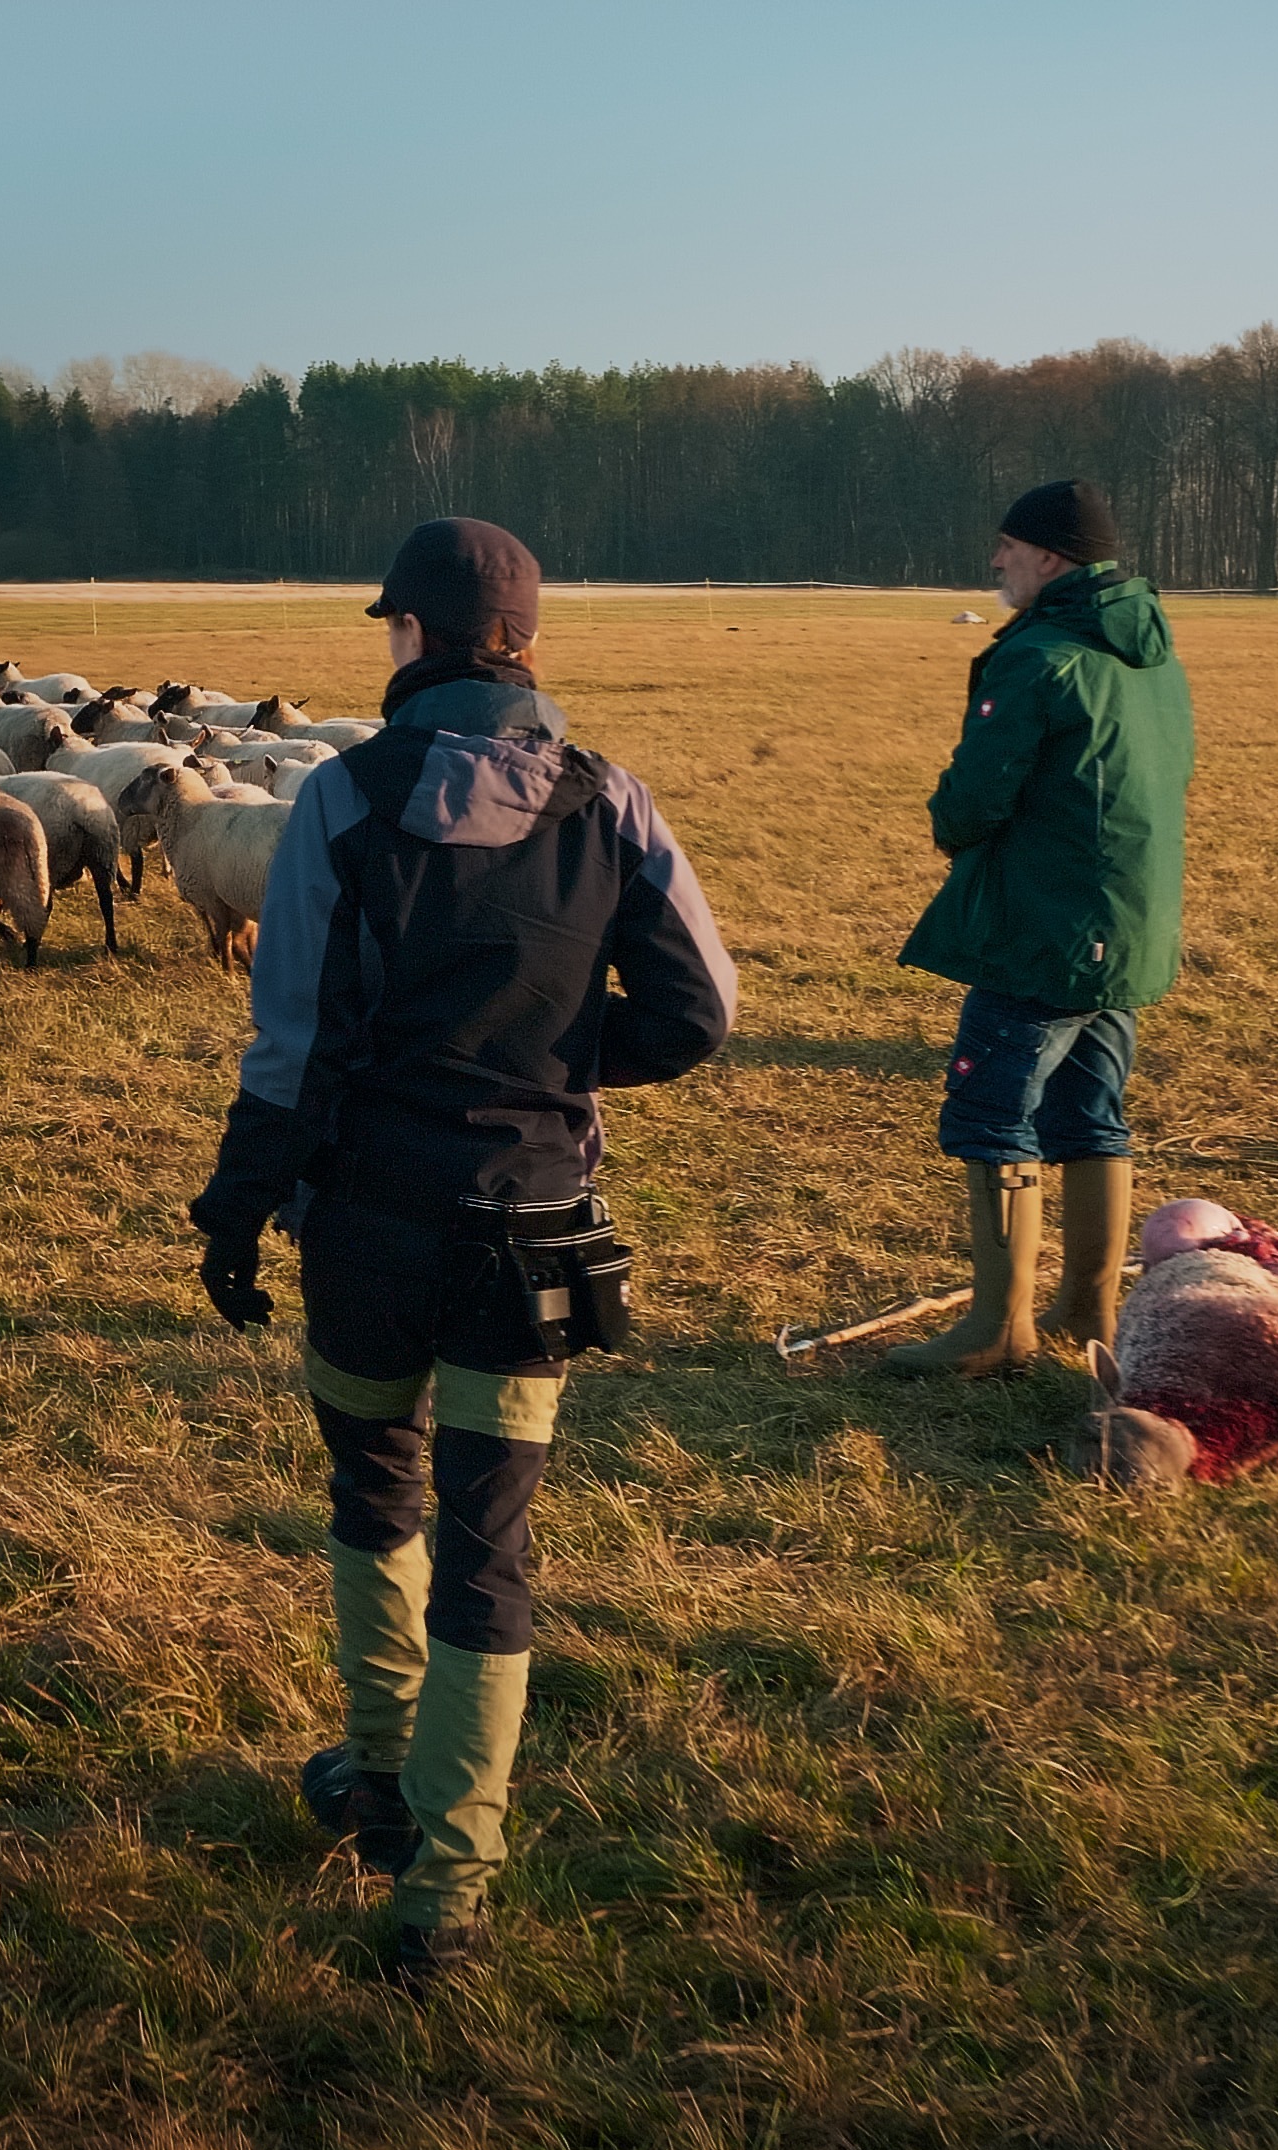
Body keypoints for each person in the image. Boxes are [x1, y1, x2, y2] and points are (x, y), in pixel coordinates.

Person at [185, 516, 736, 1986]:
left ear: (414, 638)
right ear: (527, 642)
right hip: (534, 1238)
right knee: (490, 1546)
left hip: (365, 1226)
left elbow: (288, 1043)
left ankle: (378, 1777)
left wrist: (237, 1206)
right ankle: (445, 1894)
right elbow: (701, 1013)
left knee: (374, 1484)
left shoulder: (341, 802)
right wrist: (558, 1054)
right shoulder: (611, 801)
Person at [881, 479, 1193, 1376]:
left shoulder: (1042, 654)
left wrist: (948, 820)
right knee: (1092, 1111)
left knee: (990, 1110)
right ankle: (1087, 1307)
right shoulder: (1151, 653)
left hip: (1047, 924)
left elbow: (977, 795)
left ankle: (994, 1332)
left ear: (1051, 557)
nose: (996, 562)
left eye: (1008, 547)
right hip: (1127, 924)